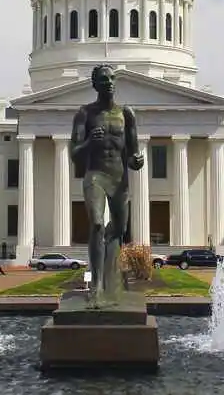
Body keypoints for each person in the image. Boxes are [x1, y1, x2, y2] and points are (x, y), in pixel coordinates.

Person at [70, 64, 144, 307]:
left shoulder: (127, 114)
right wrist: (90, 142)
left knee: (118, 230)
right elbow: (74, 153)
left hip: (119, 179)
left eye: (112, 78)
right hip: (96, 175)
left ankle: (112, 281)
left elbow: (133, 154)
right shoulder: (85, 114)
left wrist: (137, 160)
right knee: (98, 225)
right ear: (94, 84)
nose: (109, 82)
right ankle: (97, 287)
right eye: (103, 79)